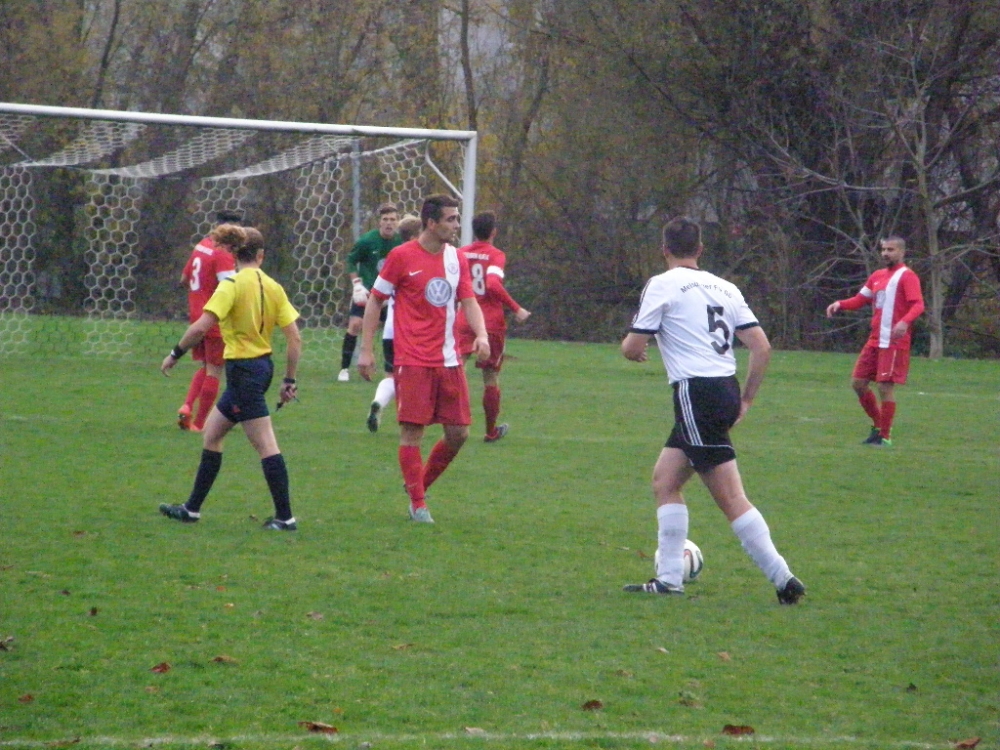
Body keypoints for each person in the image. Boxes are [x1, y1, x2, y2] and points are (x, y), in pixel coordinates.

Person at [621, 217, 804, 604]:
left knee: (731, 497)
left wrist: (634, 350)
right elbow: (761, 347)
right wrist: (746, 399)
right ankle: (669, 580)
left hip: (695, 392)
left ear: (664, 249)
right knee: (665, 481)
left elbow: (632, 346)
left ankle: (784, 578)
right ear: (700, 250)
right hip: (724, 389)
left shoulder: (663, 283)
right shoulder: (726, 287)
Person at [158, 224, 302, 531]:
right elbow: (295, 338)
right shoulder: (274, 287)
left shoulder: (231, 285)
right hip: (260, 368)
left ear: (235, 253)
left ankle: (286, 517)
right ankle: (192, 509)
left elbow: (200, 327)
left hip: (244, 372)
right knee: (212, 433)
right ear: (260, 255)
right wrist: (289, 380)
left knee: (266, 444)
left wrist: (175, 353)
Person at [357, 194, 490, 523]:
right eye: (451, 219)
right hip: (413, 360)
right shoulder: (401, 256)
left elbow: (468, 301)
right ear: (431, 223)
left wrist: (482, 335)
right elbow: (375, 301)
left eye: (457, 218)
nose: (457, 225)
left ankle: (418, 487)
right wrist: (367, 350)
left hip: (449, 360)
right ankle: (418, 504)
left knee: (459, 433)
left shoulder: (456, 258)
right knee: (412, 434)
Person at [826, 236, 924, 447]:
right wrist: (840, 304)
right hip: (875, 340)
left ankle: (885, 437)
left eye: (891, 249)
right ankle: (878, 425)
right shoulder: (877, 275)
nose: (886, 253)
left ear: (901, 252)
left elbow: (918, 305)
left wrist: (904, 322)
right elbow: (860, 300)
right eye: (884, 249)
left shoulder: (907, 276)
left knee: (884, 387)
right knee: (858, 383)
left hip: (893, 342)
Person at [455, 211, 531, 442]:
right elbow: (493, 284)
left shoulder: (460, 253)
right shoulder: (496, 255)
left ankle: (452, 420)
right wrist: (517, 308)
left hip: (463, 318)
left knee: (456, 370)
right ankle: (490, 431)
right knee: (489, 376)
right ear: (494, 232)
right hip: (489, 322)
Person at [176, 210, 241, 431]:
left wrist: (199, 294)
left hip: (196, 316)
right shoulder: (223, 254)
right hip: (214, 317)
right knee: (215, 369)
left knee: (206, 365)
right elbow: (230, 288)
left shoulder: (202, 245)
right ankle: (199, 423)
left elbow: (184, 278)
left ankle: (187, 406)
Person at [366, 214, 422, 433]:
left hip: (390, 330)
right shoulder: (417, 258)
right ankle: (409, 419)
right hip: (411, 331)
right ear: (416, 235)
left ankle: (379, 401)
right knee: (413, 377)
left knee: (391, 375)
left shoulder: (395, 256)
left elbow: (382, 294)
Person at [338, 203, 400, 382]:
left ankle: (392, 369)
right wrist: (357, 284)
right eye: (385, 219)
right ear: (379, 222)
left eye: (392, 219)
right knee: (355, 325)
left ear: (397, 222)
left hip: (390, 295)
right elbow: (351, 260)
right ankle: (344, 369)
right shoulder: (367, 240)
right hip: (368, 292)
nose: (389, 223)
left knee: (393, 330)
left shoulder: (400, 242)